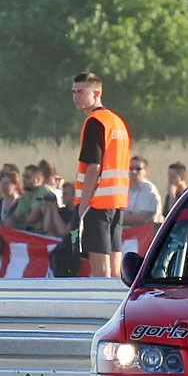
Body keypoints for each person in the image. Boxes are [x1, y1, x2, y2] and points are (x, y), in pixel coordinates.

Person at [72, 71, 131, 278]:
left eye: (81, 92)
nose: (76, 97)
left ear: (97, 93)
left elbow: (93, 168)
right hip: (117, 201)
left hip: (97, 203)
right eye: (74, 92)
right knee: (115, 271)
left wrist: (82, 207)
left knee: (100, 271)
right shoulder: (116, 122)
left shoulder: (95, 121)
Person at [10, 164, 56, 232]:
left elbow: (32, 219)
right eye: (23, 177)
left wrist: (19, 223)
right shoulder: (26, 194)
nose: (24, 180)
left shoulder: (44, 192)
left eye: (28, 177)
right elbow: (16, 216)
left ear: (38, 179)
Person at [124, 155, 164, 225]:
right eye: (130, 168)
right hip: (125, 230)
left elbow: (142, 219)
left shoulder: (149, 190)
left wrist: (117, 220)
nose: (133, 171)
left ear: (146, 172)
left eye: (138, 169)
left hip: (146, 230)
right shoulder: (123, 189)